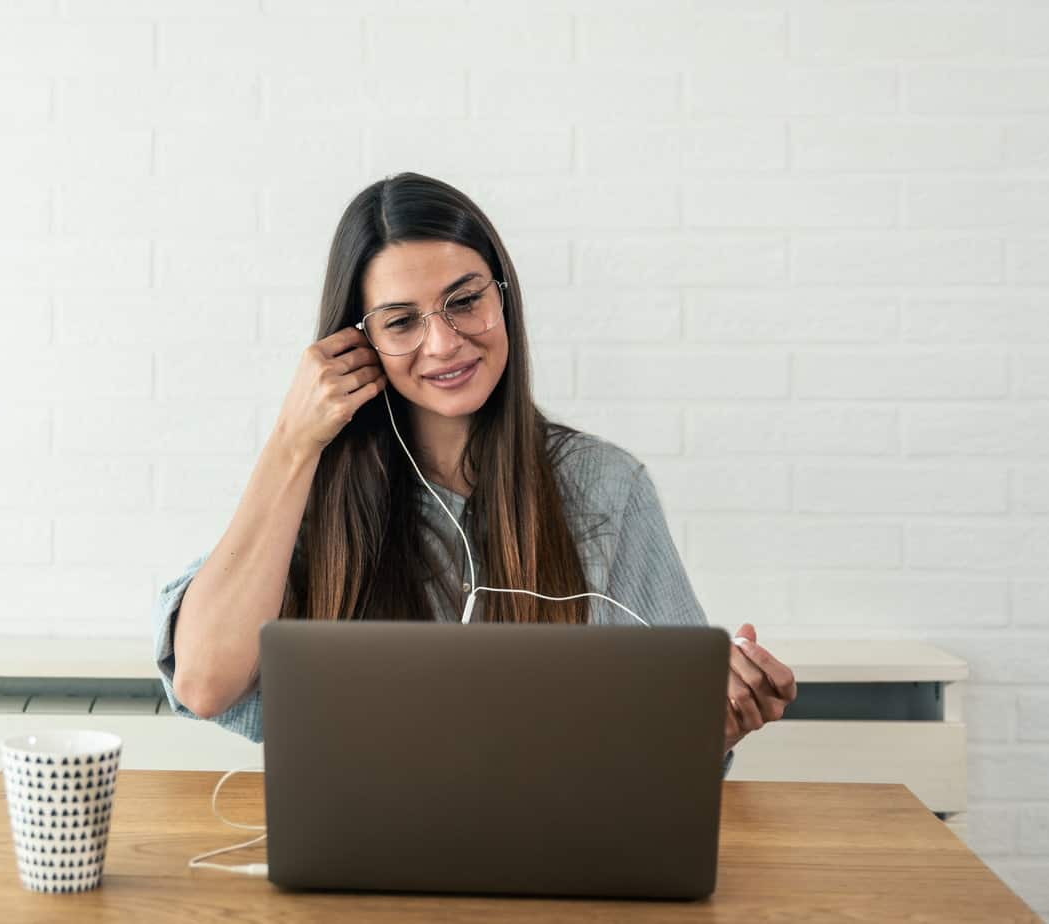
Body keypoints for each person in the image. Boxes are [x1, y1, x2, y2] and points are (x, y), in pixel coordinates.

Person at [150, 172, 797, 775]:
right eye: (402, 321)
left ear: (504, 299)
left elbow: (666, 741)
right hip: (356, 872)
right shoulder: (310, 493)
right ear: (357, 344)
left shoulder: (606, 485)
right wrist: (293, 441)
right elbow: (205, 684)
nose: (444, 343)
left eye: (464, 301)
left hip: (556, 864)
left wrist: (716, 725)